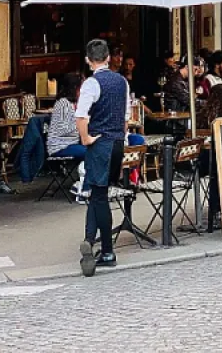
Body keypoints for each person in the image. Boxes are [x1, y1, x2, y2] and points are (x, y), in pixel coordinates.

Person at [75, 39, 128, 277]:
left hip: (101, 143)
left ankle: (107, 250)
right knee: (97, 193)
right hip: (118, 143)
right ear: (108, 58)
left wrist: (86, 139)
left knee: (99, 195)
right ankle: (88, 239)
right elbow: (126, 117)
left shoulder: (91, 83)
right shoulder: (122, 81)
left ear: (88, 60)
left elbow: (81, 116)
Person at [47, 73, 86, 161]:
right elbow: (63, 129)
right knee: (92, 152)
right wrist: (81, 124)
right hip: (60, 147)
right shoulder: (63, 103)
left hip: (72, 143)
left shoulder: (75, 104)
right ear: (74, 88)